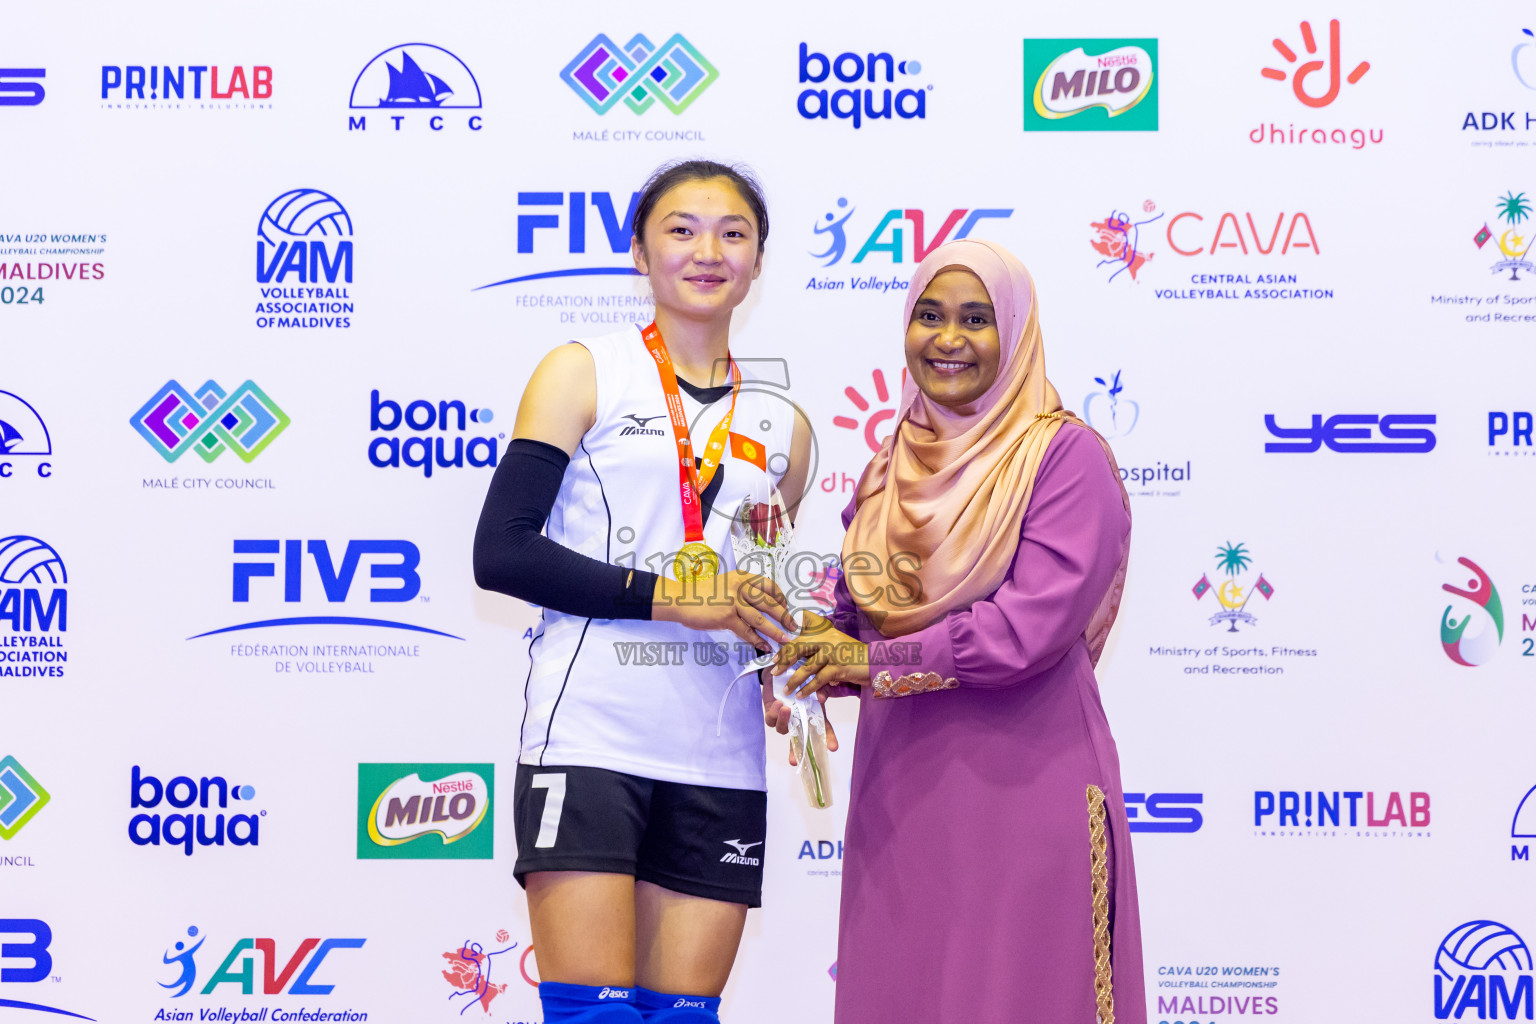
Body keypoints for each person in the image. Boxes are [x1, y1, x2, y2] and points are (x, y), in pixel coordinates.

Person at [761, 238, 1145, 1023]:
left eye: (976, 319)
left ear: (1015, 332)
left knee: (1022, 995)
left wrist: (869, 661)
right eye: (929, 316)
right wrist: (807, 663)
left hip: (1024, 787)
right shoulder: (891, 461)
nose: (948, 339)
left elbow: (1024, 632)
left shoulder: (1063, 458)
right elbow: (856, 611)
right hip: (900, 798)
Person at [474, 159, 813, 1024]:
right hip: (590, 733)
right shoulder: (583, 370)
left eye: (733, 232)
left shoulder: (785, 425)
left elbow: (757, 586)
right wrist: (673, 597)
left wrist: (783, 665)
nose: (708, 250)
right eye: (682, 228)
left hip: (717, 752)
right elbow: (502, 553)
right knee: (596, 1015)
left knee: (682, 1021)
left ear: (759, 262)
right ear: (640, 252)